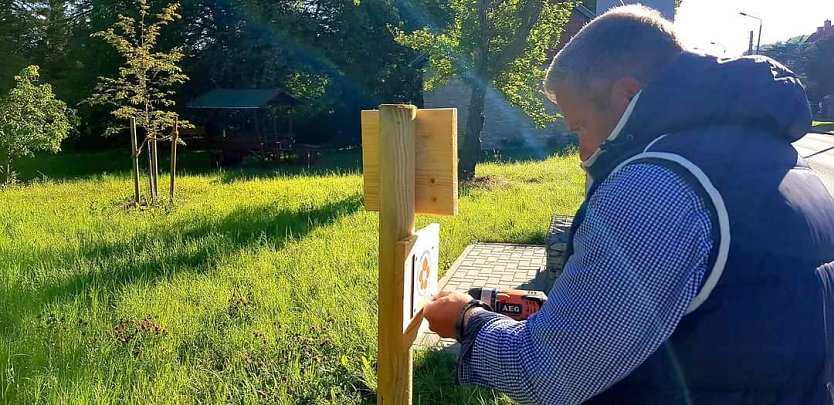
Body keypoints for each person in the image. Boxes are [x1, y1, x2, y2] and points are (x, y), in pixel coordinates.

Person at [423, 5, 834, 404]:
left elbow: (546, 375)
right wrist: (566, 311)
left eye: (581, 126)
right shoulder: (777, 158)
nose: (583, 150)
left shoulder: (654, 186)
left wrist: (468, 319)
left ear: (627, 92)